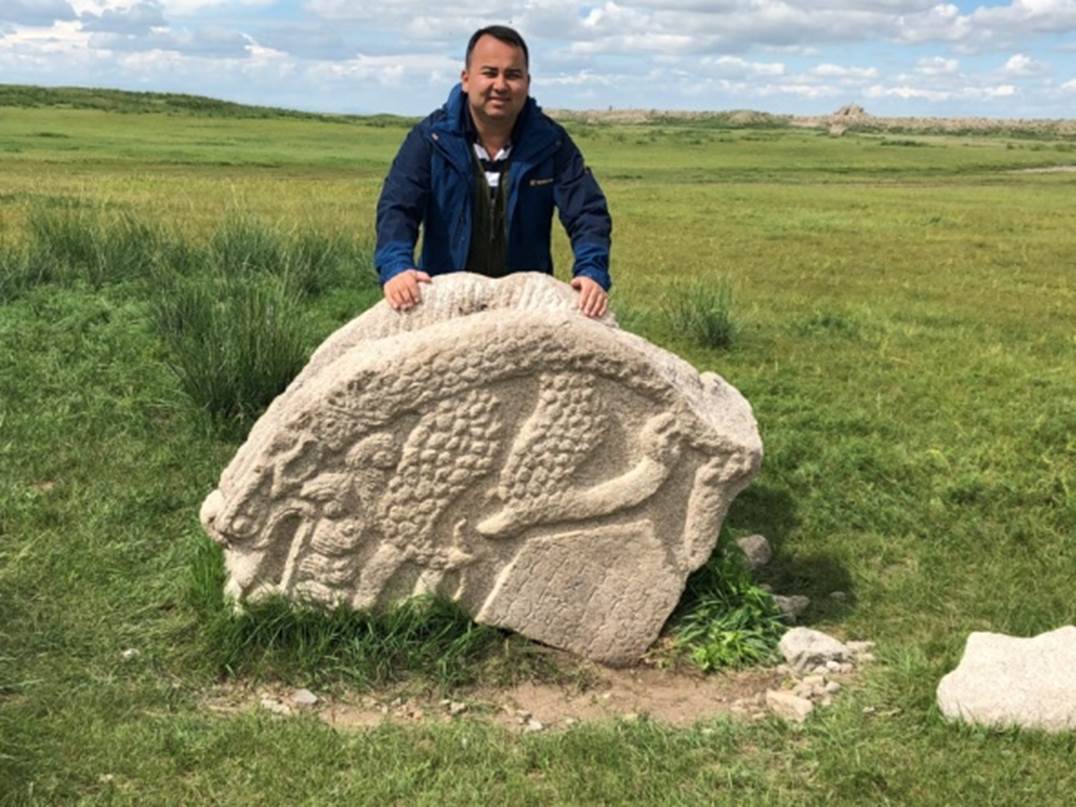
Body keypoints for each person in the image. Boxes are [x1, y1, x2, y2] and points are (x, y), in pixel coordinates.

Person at [374, 25, 612, 318]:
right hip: (444, 301)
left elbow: (587, 212)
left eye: (513, 75)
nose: (500, 85)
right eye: (489, 73)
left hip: (524, 305)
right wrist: (397, 267)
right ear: (466, 79)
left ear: (527, 82)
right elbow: (398, 207)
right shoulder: (431, 139)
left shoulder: (551, 143)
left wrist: (591, 271)